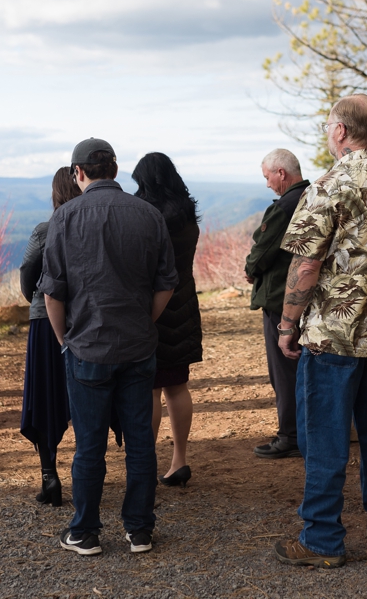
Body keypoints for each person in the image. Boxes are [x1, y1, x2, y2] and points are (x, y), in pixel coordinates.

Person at [272, 94, 367, 568]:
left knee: (325, 435)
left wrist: (287, 324)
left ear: (339, 131)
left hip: (335, 336)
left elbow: (307, 261)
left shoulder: (330, 185)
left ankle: (320, 538)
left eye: (327, 126)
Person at [38, 137, 178, 558]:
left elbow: (52, 292)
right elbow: (166, 283)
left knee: (90, 446)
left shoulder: (64, 218)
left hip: (87, 348)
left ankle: (85, 532)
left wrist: (66, 340)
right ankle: (140, 530)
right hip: (137, 345)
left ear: (78, 173)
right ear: (115, 170)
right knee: (140, 443)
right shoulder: (149, 214)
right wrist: (143, 322)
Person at [132, 153, 202, 487]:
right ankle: (180, 461)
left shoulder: (146, 216)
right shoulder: (188, 214)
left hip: (155, 307)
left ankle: (145, 463)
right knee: (178, 385)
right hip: (185, 302)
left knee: (150, 388)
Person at [19, 167, 80, 506]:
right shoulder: (90, 228)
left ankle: (50, 476)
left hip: (45, 325)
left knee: (45, 399)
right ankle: (88, 473)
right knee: (86, 398)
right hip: (86, 321)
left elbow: (28, 278)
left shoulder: (44, 230)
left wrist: (39, 299)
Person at [245, 148, 309, 460]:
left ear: (281, 173)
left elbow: (263, 248)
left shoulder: (286, 205)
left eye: (267, 176)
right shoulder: (313, 197)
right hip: (311, 298)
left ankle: (291, 436)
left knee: (284, 371)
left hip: (282, 299)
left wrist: (250, 269)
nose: (267, 183)